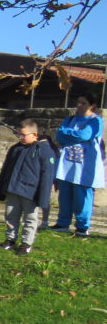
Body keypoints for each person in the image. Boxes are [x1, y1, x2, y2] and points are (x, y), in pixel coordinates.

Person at [0, 119, 55, 255]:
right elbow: (6, 169)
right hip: (13, 189)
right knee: (10, 216)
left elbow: (47, 176)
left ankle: (26, 243)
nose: (20, 137)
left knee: (30, 218)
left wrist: (43, 197)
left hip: (30, 192)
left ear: (34, 134)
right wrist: (2, 189)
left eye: (23, 135)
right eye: (18, 134)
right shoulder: (15, 148)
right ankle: (10, 240)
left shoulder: (44, 151)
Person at [50, 93, 104, 237]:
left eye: (83, 103)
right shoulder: (70, 119)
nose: (79, 105)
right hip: (67, 163)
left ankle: (82, 226)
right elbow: (59, 136)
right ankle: (63, 222)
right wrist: (71, 133)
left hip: (85, 165)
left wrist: (69, 133)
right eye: (78, 102)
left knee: (82, 196)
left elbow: (85, 135)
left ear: (91, 105)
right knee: (65, 194)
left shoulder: (96, 121)